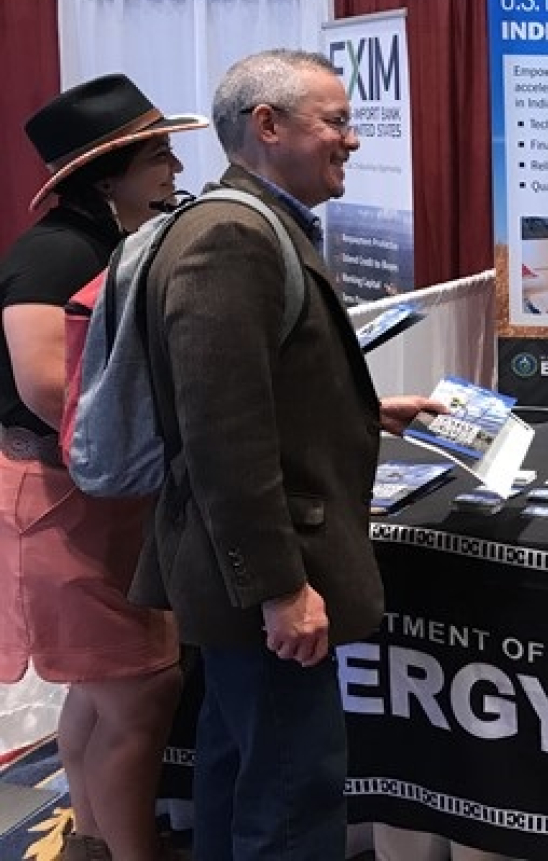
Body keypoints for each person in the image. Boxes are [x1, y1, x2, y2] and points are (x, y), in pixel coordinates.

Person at [127, 49, 443, 861]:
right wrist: (279, 589)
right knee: (292, 802)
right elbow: (223, 434)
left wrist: (365, 412)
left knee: (241, 781)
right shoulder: (231, 237)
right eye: (336, 121)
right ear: (267, 126)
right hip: (263, 583)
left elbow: (260, 391)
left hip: (247, 578)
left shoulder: (252, 225)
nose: (354, 140)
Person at [1, 74, 208, 861]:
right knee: (138, 691)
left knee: (106, 688)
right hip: (65, 500)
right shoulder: (55, 251)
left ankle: (94, 840)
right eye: (156, 154)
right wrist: (149, 449)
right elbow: (47, 386)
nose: (171, 168)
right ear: (107, 168)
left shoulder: (109, 240)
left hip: (91, 497)